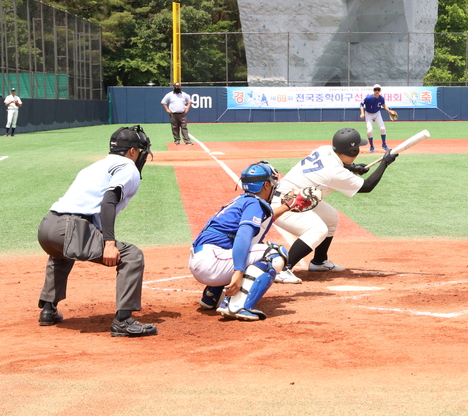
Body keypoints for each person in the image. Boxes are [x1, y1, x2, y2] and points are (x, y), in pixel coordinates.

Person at [36, 125, 158, 337]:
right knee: (132, 255)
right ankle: (123, 321)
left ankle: (48, 309)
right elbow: (109, 200)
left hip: (47, 228)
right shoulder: (128, 167)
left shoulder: (94, 167)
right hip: (71, 228)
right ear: (132, 151)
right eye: (140, 151)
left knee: (62, 253)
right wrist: (109, 243)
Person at [188, 161, 316, 320]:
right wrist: (238, 272)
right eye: (272, 182)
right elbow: (243, 235)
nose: (274, 185)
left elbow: (260, 224)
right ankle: (237, 306)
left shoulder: (243, 200)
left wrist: (285, 207)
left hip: (203, 260)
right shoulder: (255, 203)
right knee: (274, 253)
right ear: (266, 186)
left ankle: (212, 296)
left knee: (253, 247)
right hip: (212, 263)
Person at [274, 127, 398, 284]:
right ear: (353, 151)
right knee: (318, 230)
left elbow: (334, 166)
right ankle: (284, 269)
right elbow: (367, 186)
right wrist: (384, 164)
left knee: (330, 217)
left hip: (295, 197)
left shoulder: (325, 149)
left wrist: (353, 168)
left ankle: (319, 262)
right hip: (285, 205)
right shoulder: (335, 173)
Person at [359, 84, 394, 152]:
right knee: (369, 131)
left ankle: (384, 145)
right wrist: (362, 113)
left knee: (383, 129)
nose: (377, 91)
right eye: (375, 89)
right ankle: (372, 147)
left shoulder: (381, 98)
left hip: (377, 114)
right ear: (373, 90)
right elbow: (361, 104)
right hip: (368, 114)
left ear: (380, 91)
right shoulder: (368, 98)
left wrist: (388, 111)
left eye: (378, 90)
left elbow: (383, 104)